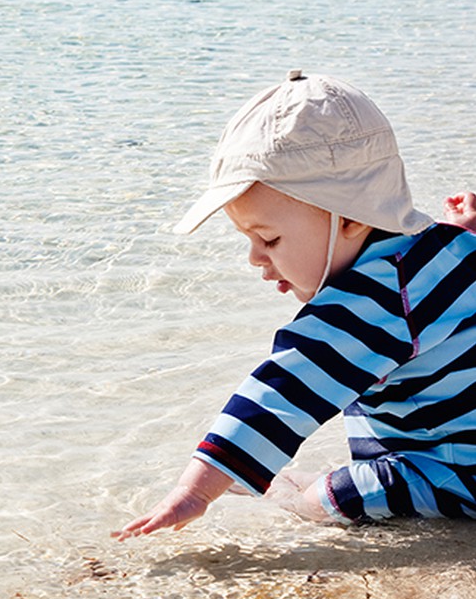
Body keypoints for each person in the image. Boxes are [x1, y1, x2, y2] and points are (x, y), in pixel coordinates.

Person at [112, 71, 476, 539]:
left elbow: (278, 396)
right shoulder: (447, 248)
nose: (255, 258)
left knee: (331, 497)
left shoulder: (372, 303)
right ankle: (256, 474)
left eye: (269, 238)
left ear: (347, 218)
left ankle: (285, 490)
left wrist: (195, 492)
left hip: (456, 474)